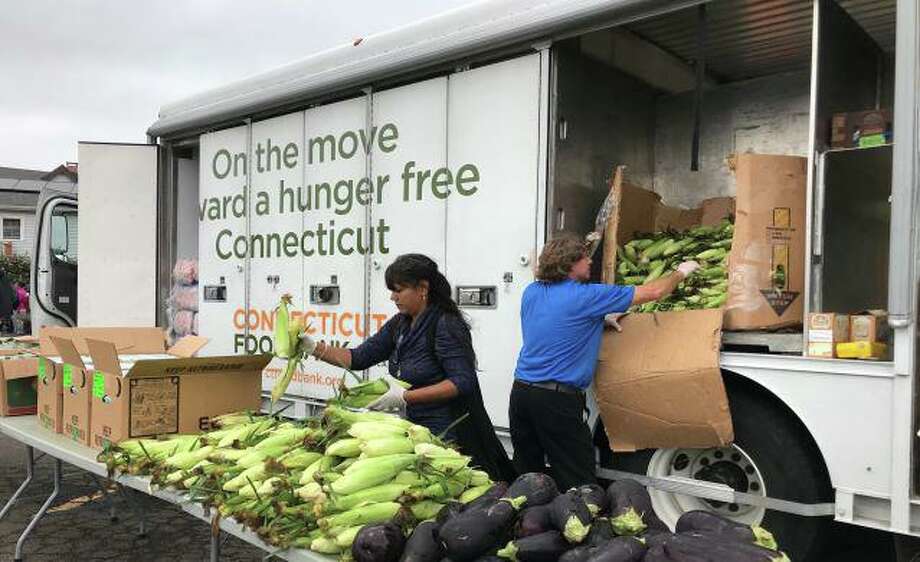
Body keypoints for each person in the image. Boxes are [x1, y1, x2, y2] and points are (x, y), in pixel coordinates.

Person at [510, 233, 700, 490]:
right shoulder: (587, 296)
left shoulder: (532, 292)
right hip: (555, 402)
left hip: (521, 395)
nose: (590, 261)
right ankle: (577, 525)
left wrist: (597, 320)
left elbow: (557, 321)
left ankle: (524, 523)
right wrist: (681, 271)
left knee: (527, 475)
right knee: (576, 478)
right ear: (569, 265)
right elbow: (655, 291)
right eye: (584, 257)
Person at [303, 253, 516, 482]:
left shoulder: (445, 324)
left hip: (449, 437)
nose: (393, 297)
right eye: (392, 291)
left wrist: (406, 397)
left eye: (399, 289)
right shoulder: (400, 324)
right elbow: (359, 357)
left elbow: (462, 381)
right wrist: (315, 348)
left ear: (423, 288)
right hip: (415, 430)